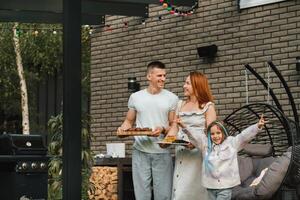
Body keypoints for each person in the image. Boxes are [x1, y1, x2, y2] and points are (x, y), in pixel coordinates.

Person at [118, 61, 178, 200]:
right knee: (141, 196)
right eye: (159, 75)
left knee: (163, 196)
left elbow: (173, 126)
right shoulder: (136, 97)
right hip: (140, 152)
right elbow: (128, 121)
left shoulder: (172, 98)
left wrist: (163, 129)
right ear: (149, 76)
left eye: (164, 75)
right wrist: (122, 129)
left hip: (162, 153)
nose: (163, 79)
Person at [176, 115, 266, 200]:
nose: (215, 136)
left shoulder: (232, 143)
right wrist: (183, 126)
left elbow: (244, 136)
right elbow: (195, 135)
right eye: (212, 134)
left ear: (223, 132)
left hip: (225, 186)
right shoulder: (205, 145)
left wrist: (257, 127)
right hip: (210, 186)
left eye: (218, 133)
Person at [164, 71, 217, 200]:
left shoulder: (208, 106)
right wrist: (166, 142)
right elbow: (174, 129)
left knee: (195, 192)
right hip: (182, 154)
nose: (184, 86)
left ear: (197, 86)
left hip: (198, 156)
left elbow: (212, 135)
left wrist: (196, 143)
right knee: (179, 191)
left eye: (187, 83)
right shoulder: (180, 105)